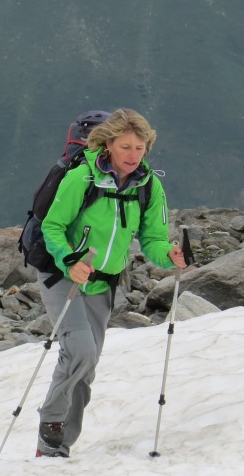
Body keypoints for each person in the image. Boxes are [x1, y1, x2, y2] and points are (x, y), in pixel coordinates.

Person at [36, 108, 187, 457]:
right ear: (107, 146)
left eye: (140, 147)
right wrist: (70, 260)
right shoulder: (82, 178)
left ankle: (61, 446)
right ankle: (50, 428)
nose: (134, 156)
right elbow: (52, 227)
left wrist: (170, 256)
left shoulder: (149, 185)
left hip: (103, 283)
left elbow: (153, 240)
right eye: (126, 148)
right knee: (80, 351)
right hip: (62, 274)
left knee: (86, 370)